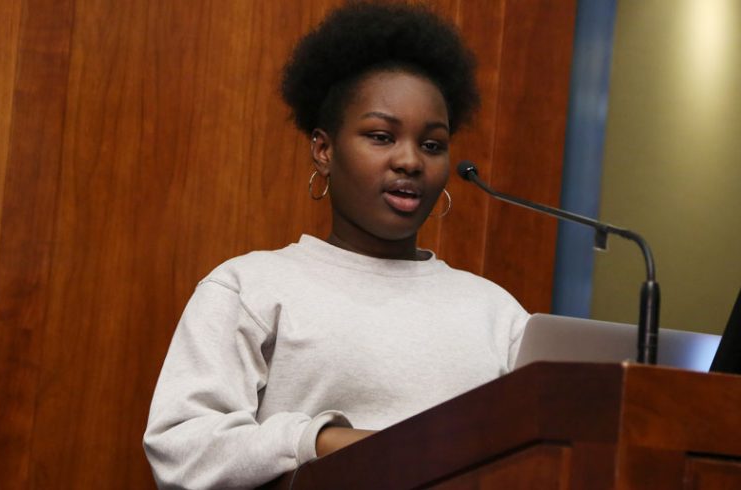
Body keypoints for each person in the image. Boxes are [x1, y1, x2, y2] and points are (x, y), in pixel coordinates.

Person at [143, 2, 529, 488]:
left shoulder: (497, 312)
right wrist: (319, 441)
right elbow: (181, 450)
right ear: (324, 150)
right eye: (381, 136)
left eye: (432, 144)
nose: (409, 160)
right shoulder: (250, 288)